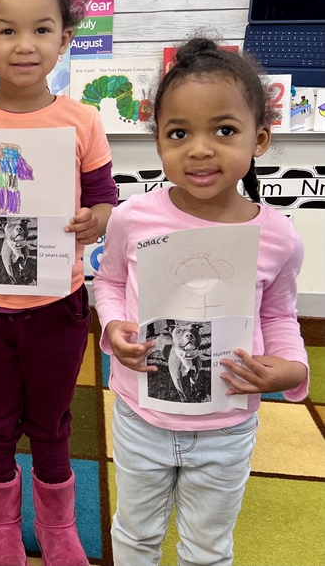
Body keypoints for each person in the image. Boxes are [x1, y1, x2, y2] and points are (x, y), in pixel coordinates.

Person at [92, 37, 309, 566]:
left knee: (208, 548)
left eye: (225, 130)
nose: (200, 148)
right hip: (141, 414)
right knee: (135, 534)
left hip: (227, 424)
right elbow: (110, 282)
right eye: (179, 133)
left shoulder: (277, 235)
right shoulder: (132, 217)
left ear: (259, 139)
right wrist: (114, 325)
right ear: (158, 142)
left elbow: (279, 315)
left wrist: (291, 368)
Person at [0, 0, 118, 566]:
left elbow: (104, 202)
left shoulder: (83, 121)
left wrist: (93, 220)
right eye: (7, 30)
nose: (25, 44)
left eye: (41, 29)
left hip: (58, 302)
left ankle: (59, 526)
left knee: (52, 419)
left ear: (65, 35)